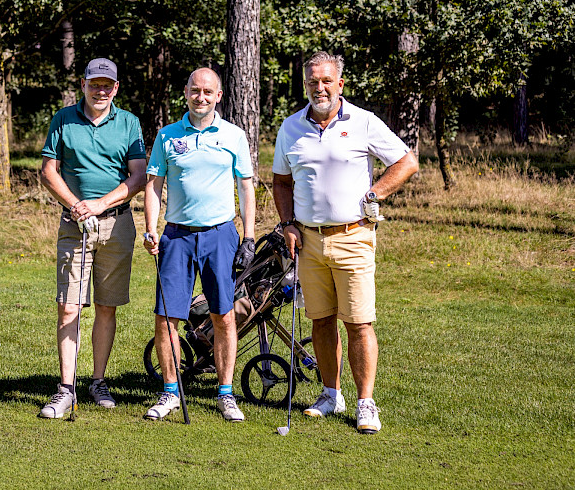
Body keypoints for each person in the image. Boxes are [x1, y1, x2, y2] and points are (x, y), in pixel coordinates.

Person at [271, 51, 419, 434]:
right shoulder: (290, 127)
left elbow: (406, 162)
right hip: (308, 241)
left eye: (326, 81)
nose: (319, 88)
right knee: (321, 321)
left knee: (358, 323)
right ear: (305, 85)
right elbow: (281, 182)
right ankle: (330, 394)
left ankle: (365, 403)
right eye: (312, 82)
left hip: (354, 237)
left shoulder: (363, 121)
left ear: (340, 83)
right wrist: (287, 224)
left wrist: (374, 195)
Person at [143, 67, 256, 423]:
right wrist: (150, 228)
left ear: (219, 96)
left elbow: (246, 187)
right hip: (176, 236)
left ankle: (225, 393)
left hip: (219, 235)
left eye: (208, 91)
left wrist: (249, 236)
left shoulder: (234, 135)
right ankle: (170, 392)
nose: (201, 97)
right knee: (166, 319)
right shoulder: (167, 135)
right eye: (195, 90)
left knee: (223, 315)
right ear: (186, 92)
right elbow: (153, 185)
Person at [38, 58, 147, 418]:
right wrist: (76, 205)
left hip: (116, 223)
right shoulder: (63, 119)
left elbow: (138, 176)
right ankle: (66, 388)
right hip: (75, 224)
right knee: (69, 305)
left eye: (107, 85)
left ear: (116, 88)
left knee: (106, 306)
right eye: (94, 83)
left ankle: (98, 381)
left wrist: (100, 204)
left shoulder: (129, 122)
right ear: (83, 84)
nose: (101, 90)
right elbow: (48, 172)